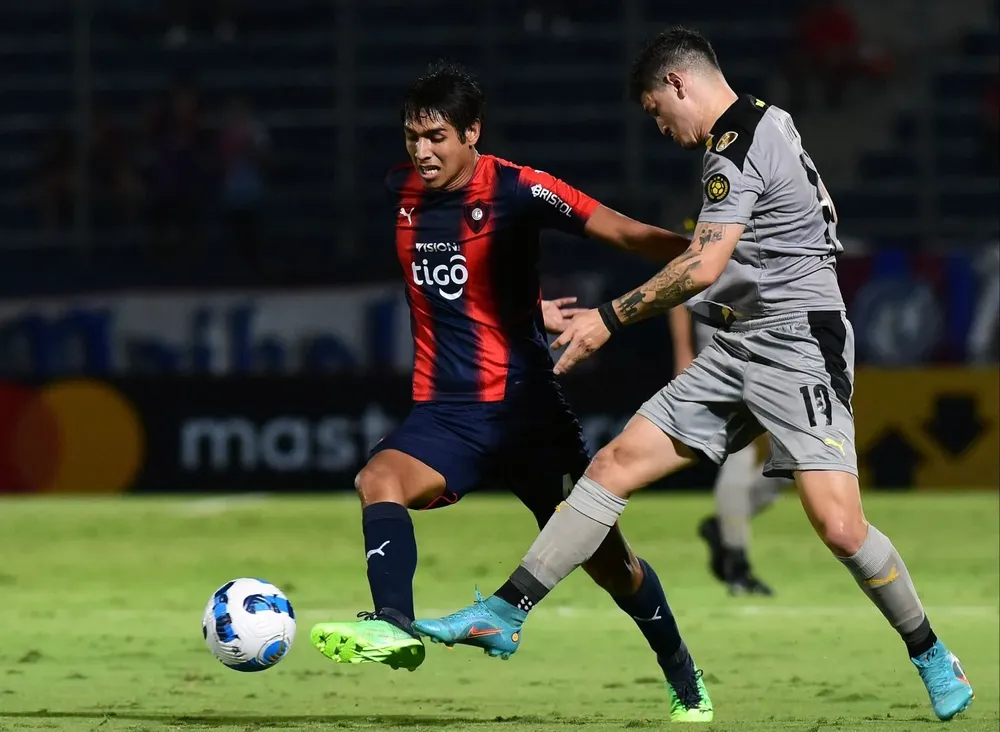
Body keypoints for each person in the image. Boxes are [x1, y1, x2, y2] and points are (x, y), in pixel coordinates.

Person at [414, 29, 974, 723]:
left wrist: (607, 320)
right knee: (613, 463)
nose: (660, 127)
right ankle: (505, 611)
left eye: (656, 111)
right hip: (738, 346)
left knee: (839, 527)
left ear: (680, 84)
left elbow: (703, 266)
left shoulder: (735, 150)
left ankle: (930, 653)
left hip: (798, 346)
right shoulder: (766, 122)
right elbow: (766, 241)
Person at [309, 61, 713, 723]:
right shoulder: (402, 188)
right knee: (377, 478)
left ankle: (685, 678)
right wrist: (528, 308)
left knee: (611, 563)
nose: (422, 150)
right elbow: (467, 283)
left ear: (473, 132)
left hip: (528, 413)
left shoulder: (523, 190)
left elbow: (622, 231)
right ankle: (392, 625)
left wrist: (711, 258)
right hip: (448, 413)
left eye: (437, 136)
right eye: (412, 136)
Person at [670, 302, 783, 595]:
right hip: (721, 360)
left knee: (787, 465)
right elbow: (682, 296)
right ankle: (737, 564)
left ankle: (724, 526)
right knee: (740, 456)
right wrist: (683, 354)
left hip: (764, 357)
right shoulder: (713, 255)